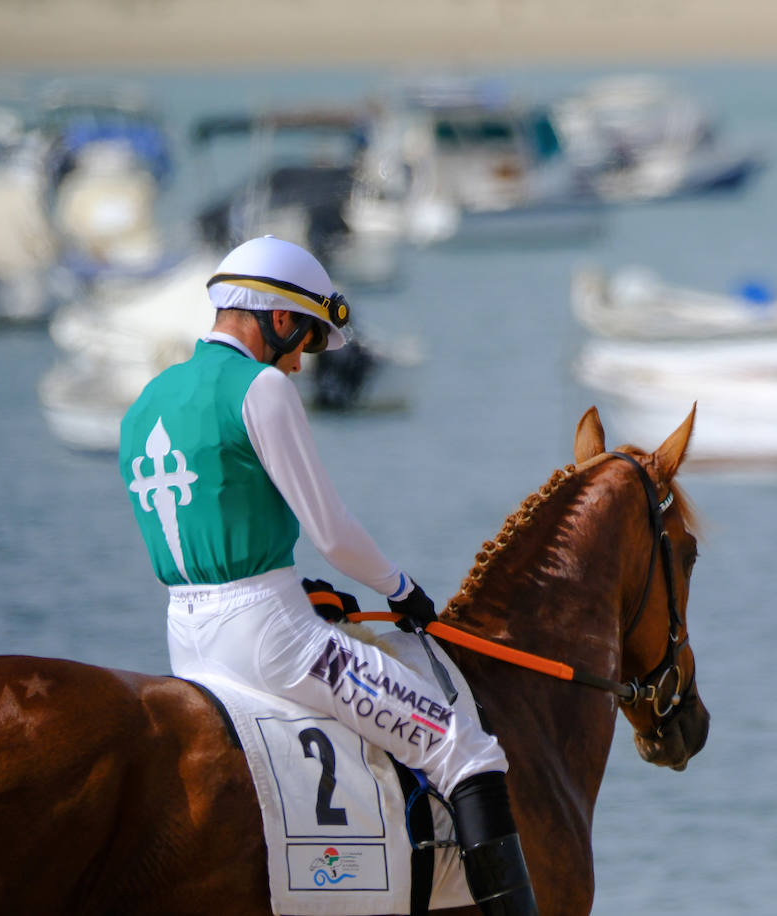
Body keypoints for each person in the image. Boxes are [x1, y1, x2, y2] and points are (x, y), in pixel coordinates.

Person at [118, 235, 538, 915]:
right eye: (307, 341)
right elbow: (333, 532)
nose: (299, 363)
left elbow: (211, 531)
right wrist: (402, 590)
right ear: (280, 318)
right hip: (270, 637)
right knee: (465, 747)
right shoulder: (261, 388)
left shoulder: (146, 401)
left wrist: (290, 587)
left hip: (186, 639)